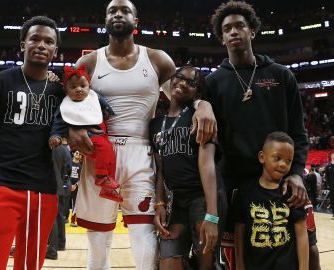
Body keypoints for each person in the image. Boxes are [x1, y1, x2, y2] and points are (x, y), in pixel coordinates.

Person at [69, 0, 217, 268]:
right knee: (98, 243)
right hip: (100, 154)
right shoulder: (89, 61)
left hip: (141, 151)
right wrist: (72, 128)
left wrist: (202, 104)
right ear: (105, 20)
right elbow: (68, 104)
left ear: (135, 22)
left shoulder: (157, 59)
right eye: (112, 10)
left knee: (145, 244)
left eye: (124, 10)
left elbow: (183, 97)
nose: (118, 14)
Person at [206, 1, 316, 269]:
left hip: (282, 182)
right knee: (239, 258)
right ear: (222, 38)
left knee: (308, 253)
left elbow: (298, 133)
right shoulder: (213, 82)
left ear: (252, 31)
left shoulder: (281, 75)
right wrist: (201, 105)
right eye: (227, 28)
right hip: (237, 188)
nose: (234, 32)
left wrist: (296, 173)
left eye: (240, 26)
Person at [0, 16, 63, 270]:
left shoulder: (61, 92)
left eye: (48, 41)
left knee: (29, 267)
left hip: (44, 190)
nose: (41, 45)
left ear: (55, 50)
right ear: (23, 44)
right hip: (1, 185)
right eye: (34, 38)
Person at [151, 66, 227, 270]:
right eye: (179, 77)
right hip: (174, 201)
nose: (182, 83)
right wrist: (159, 204)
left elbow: (208, 164)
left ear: (197, 92)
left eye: (191, 83)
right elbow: (160, 170)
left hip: (202, 198)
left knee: (206, 263)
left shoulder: (200, 116)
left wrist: (212, 215)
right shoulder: (156, 123)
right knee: (168, 262)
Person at [233, 132, 308, 270]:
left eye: (288, 161)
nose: (283, 164)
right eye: (277, 158)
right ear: (262, 157)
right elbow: (239, 232)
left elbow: (302, 234)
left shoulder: (292, 192)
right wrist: (239, 265)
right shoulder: (245, 192)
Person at [50, 65, 121, 202]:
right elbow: (58, 123)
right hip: (89, 138)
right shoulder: (65, 106)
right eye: (73, 87)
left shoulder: (94, 97)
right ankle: (101, 177)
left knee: (110, 158)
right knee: (105, 149)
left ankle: (108, 188)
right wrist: (55, 136)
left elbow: (103, 105)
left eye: (83, 85)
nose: (79, 89)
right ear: (65, 90)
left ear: (89, 86)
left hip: (99, 137)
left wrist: (107, 112)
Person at [46, 137, 72, 260]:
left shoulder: (54, 149)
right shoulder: (65, 150)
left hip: (55, 185)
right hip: (63, 185)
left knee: (53, 217)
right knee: (59, 216)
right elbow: (67, 169)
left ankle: (52, 247)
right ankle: (60, 244)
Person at [69, 151, 83, 227]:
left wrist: (75, 185)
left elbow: (81, 177)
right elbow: (65, 173)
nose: (78, 154)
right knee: (64, 203)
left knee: (76, 203)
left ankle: (73, 220)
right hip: (67, 185)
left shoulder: (81, 165)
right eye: (77, 153)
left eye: (80, 154)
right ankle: (62, 219)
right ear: (74, 154)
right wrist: (69, 184)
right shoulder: (69, 162)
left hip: (77, 187)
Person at [324, 152, 334, 217]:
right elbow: (326, 177)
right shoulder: (328, 166)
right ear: (331, 156)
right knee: (332, 199)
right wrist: (328, 185)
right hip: (332, 186)